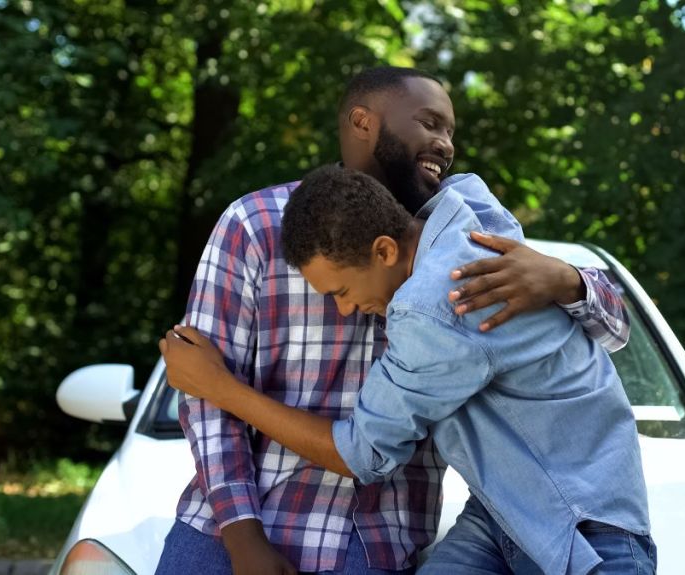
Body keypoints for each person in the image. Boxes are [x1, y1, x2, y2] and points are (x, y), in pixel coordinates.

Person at [157, 67, 633, 575]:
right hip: (231, 532)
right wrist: (241, 535)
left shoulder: (470, 228)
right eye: (430, 123)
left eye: (451, 131)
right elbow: (200, 387)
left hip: (377, 538)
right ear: (363, 122)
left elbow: (611, 333)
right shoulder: (255, 225)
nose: (445, 143)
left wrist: (567, 280)